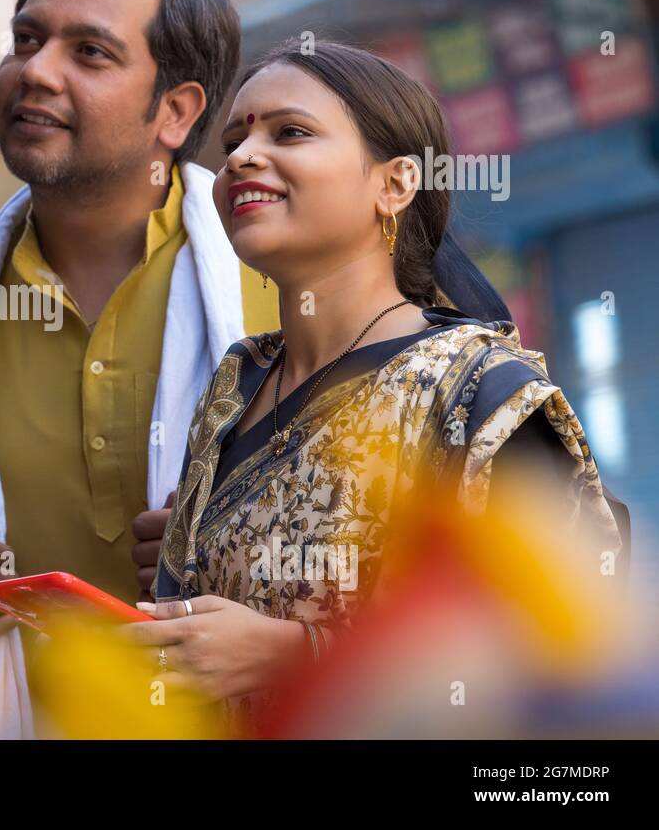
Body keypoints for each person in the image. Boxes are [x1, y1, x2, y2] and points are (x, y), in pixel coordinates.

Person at [129, 40, 628, 723]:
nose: (241, 157)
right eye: (235, 138)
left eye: (290, 132)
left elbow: (562, 658)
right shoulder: (236, 388)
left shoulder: (478, 391)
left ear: (393, 184)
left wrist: (293, 655)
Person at [0, 0, 265, 735]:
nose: (34, 71)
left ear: (177, 111)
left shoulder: (276, 288)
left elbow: (395, 532)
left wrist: (249, 562)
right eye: (27, 39)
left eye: (89, 53)